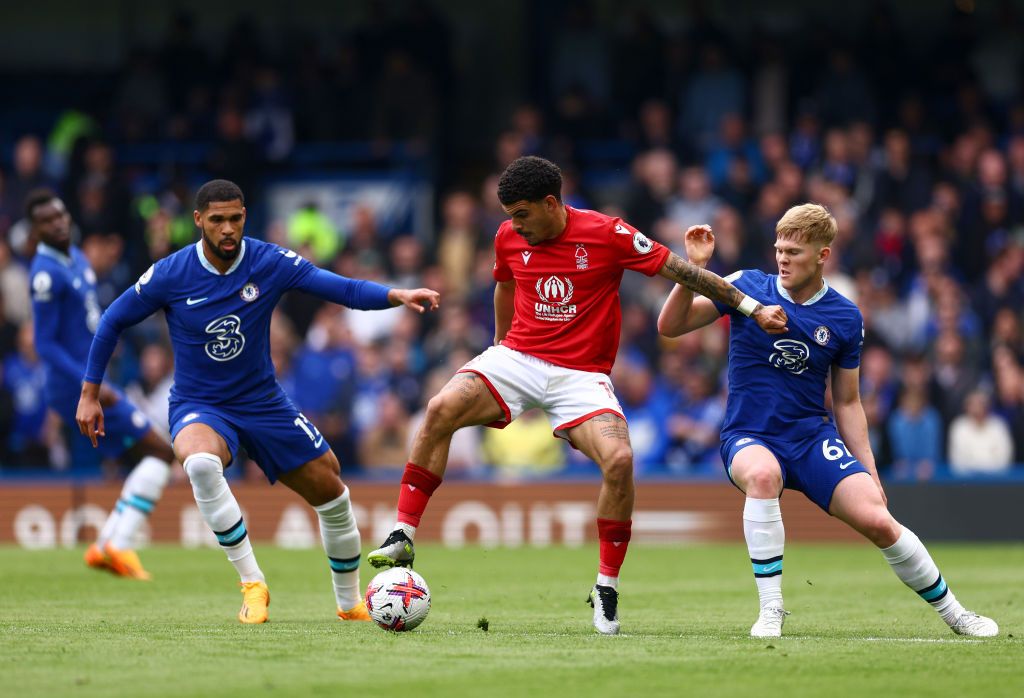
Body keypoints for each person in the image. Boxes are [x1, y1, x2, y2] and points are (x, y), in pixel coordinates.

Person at [367, 156, 788, 635]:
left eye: (522, 214)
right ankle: (403, 534)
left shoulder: (608, 234)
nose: (514, 225)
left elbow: (683, 274)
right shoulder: (508, 237)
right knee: (440, 407)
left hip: (581, 376)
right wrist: (500, 348)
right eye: (509, 214)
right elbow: (504, 287)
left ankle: (606, 587)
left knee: (620, 460)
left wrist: (752, 308)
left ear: (551, 203)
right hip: (518, 358)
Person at [76, 179, 440, 624]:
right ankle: (252, 583)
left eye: (235, 219)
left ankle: (349, 604)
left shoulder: (268, 261)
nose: (227, 229)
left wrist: (394, 295)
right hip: (200, 403)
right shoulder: (171, 273)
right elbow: (112, 319)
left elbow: (338, 288)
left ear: (244, 216)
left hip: (264, 402)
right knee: (199, 463)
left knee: (333, 494)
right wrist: (89, 393)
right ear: (198, 222)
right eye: (217, 220)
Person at [657, 203, 998, 638]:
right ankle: (771, 610)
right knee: (762, 476)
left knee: (877, 519)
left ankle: (956, 614)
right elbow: (670, 326)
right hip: (750, 434)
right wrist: (695, 269)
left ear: (823, 256)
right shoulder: (746, 286)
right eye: (779, 249)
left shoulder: (844, 316)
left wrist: (870, 471)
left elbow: (849, 402)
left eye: (794, 252)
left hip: (810, 438)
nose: (782, 259)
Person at [26, 189, 175, 580]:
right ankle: (114, 544)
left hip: (94, 379)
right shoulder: (45, 274)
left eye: (60, 215)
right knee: (161, 452)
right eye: (48, 220)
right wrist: (89, 387)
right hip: (78, 387)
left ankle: (110, 544)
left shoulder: (74, 257)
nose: (58, 222)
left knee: (152, 455)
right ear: (36, 230)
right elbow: (45, 344)